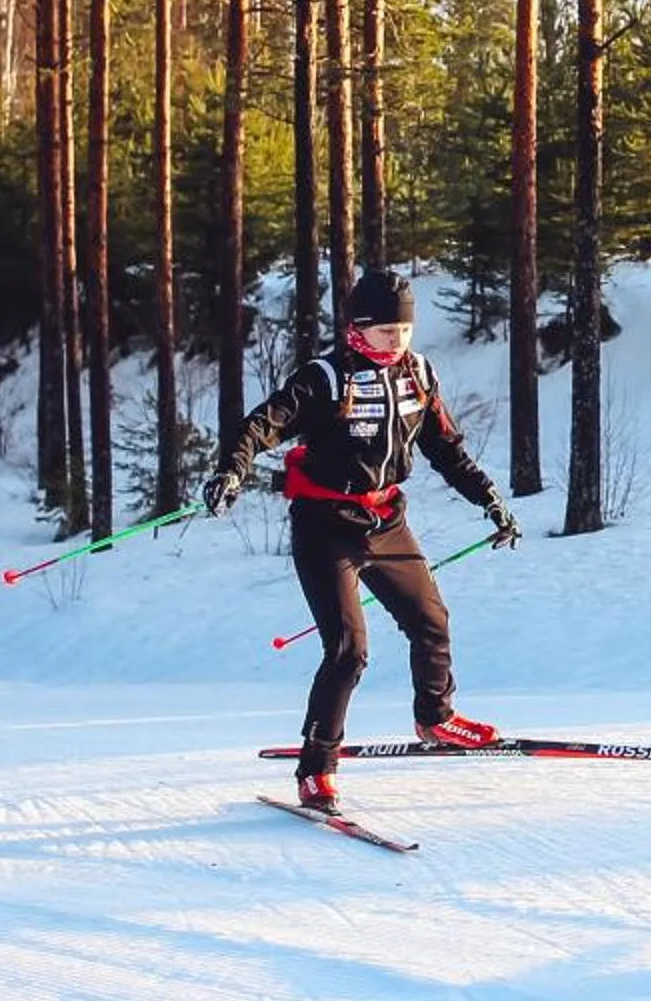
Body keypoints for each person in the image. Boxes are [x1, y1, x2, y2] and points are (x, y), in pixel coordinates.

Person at [206, 268, 521, 815]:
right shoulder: (326, 378)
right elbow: (264, 423)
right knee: (349, 651)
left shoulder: (418, 375)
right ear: (358, 327)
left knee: (431, 621)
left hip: (386, 519)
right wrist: (233, 469)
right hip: (325, 526)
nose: (396, 342)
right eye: (385, 332)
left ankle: (436, 718)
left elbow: (445, 448)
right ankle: (316, 770)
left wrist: (489, 499)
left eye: (403, 331)